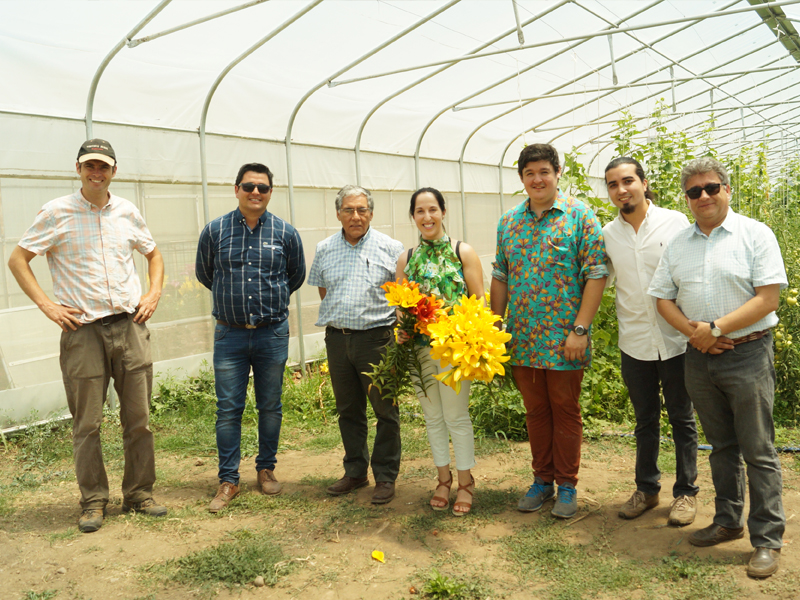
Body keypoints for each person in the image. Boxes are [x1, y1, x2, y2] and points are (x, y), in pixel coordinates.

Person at [8, 139, 166, 533]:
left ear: (114, 171)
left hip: (129, 326)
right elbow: (18, 259)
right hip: (83, 332)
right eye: (90, 166)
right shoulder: (56, 212)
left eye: (104, 167)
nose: (97, 173)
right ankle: (93, 501)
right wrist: (49, 306)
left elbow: (153, 254)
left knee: (139, 419)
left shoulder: (127, 211)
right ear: (78, 169)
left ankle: (139, 493)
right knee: (87, 424)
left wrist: (153, 294)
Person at [649, 157, 786, 578]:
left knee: (758, 450)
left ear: (727, 189)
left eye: (711, 188)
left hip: (747, 353)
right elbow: (662, 298)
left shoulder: (755, 234)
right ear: (687, 199)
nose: (704, 196)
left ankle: (767, 539)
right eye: (694, 191)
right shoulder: (679, 244)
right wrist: (696, 335)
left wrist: (716, 328)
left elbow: (767, 298)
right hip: (699, 358)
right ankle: (728, 520)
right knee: (721, 446)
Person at [490, 143, 608, 519]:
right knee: (536, 410)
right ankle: (542, 480)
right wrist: (495, 326)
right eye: (530, 173)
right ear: (521, 178)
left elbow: (596, 274)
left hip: (565, 339)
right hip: (522, 337)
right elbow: (501, 275)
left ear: (558, 173)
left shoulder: (579, 216)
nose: (537, 179)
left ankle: (567, 485)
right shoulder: (509, 222)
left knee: (565, 408)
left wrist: (580, 329)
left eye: (544, 171)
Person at [196, 162, 305, 513]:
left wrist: (268, 301)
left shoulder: (286, 233)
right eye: (248, 186)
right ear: (236, 190)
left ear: (270, 192)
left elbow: (295, 275)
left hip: (272, 332)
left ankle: (266, 468)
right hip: (229, 334)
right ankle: (229, 478)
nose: (255, 192)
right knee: (228, 408)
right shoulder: (215, 231)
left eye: (262, 187)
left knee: (270, 405)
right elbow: (205, 273)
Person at [603, 157, 702, 526]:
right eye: (613, 184)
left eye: (628, 181)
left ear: (643, 183)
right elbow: (598, 279)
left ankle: (686, 493)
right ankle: (647, 489)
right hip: (635, 341)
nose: (621, 189)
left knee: (682, 418)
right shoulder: (607, 235)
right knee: (645, 420)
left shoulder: (675, 222)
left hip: (677, 339)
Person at [307, 185, 403, 504]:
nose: (356, 216)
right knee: (348, 410)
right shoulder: (324, 248)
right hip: (338, 339)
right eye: (348, 210)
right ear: (338, 214)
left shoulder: (391, 248)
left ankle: (385, 476)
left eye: (362, 209)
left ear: (371, 213)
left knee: (385, 410)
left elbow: (401, 293)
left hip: (377, 339)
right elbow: (324, 290)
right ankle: (355, 471)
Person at [395, 187, 485, 516]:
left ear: (443, 212)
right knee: (433, 418)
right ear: (413, 216)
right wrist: (403, 328)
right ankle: (443, 480)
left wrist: (470, 341)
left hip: (454, 352)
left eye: (432, 209)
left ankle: (465, 482)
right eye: (420, 211)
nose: (427, 216)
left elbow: (480, 302)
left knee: (456, 417)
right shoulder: (406, 258)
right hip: (419, 352)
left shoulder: (463, 252)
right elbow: (400, 306)